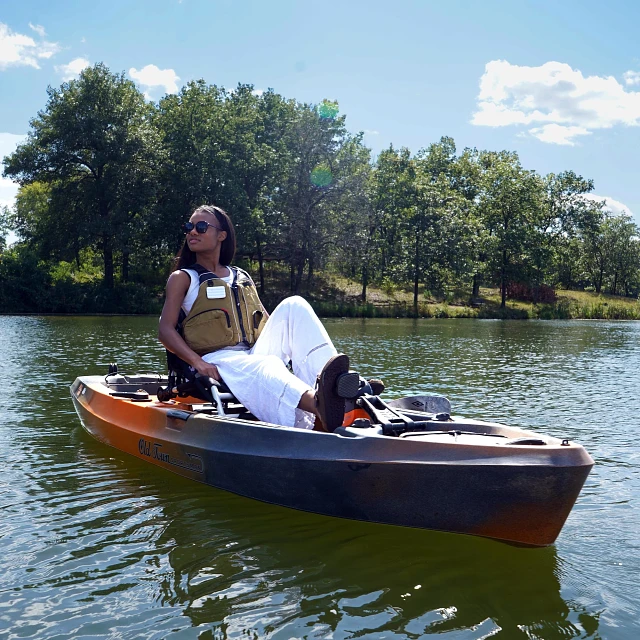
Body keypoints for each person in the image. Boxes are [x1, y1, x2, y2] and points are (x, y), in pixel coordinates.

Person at [158, 204, 350, 431]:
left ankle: (337, 389)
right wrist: (198, 362)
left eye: (201, 226)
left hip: (252, 353)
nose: (192, 232)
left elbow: (268, 323)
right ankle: (318, 404)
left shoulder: (241, 276)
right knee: (265, 364)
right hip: (218, 359)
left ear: (222, 235)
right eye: (189, 226)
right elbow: (165, 331)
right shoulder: (183, 278)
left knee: (295, 305)